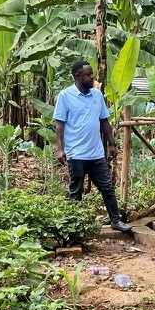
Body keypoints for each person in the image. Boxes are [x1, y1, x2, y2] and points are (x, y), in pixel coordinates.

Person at [54, 60, 132, 232]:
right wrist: (60, 149)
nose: (92, 77)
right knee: (76, 191)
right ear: (78, 76)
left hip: (96, 153)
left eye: (91, 74)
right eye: (88, 75)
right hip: (76, 153)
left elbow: (104, 121)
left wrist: (112, 143)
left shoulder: (97, 95)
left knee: (107, 188)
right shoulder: (65, 96)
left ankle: (115, 220)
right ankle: (75, 226)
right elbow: (59, 125)